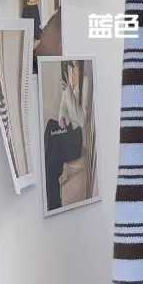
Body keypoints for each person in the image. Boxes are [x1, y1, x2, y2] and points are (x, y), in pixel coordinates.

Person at [43, 59, 85, 210]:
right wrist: (62, 119)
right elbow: (62, 111)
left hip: (76, 140)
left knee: (51, 136)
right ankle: (54, 200)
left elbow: (79, 120)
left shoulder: (80, 89)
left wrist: (68, 92)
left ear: (79, 71)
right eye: (70, 71)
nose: (72, 74)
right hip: (68, 134)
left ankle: (53, 201)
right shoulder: (69, 90)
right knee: (51, 128)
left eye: (74, 70)